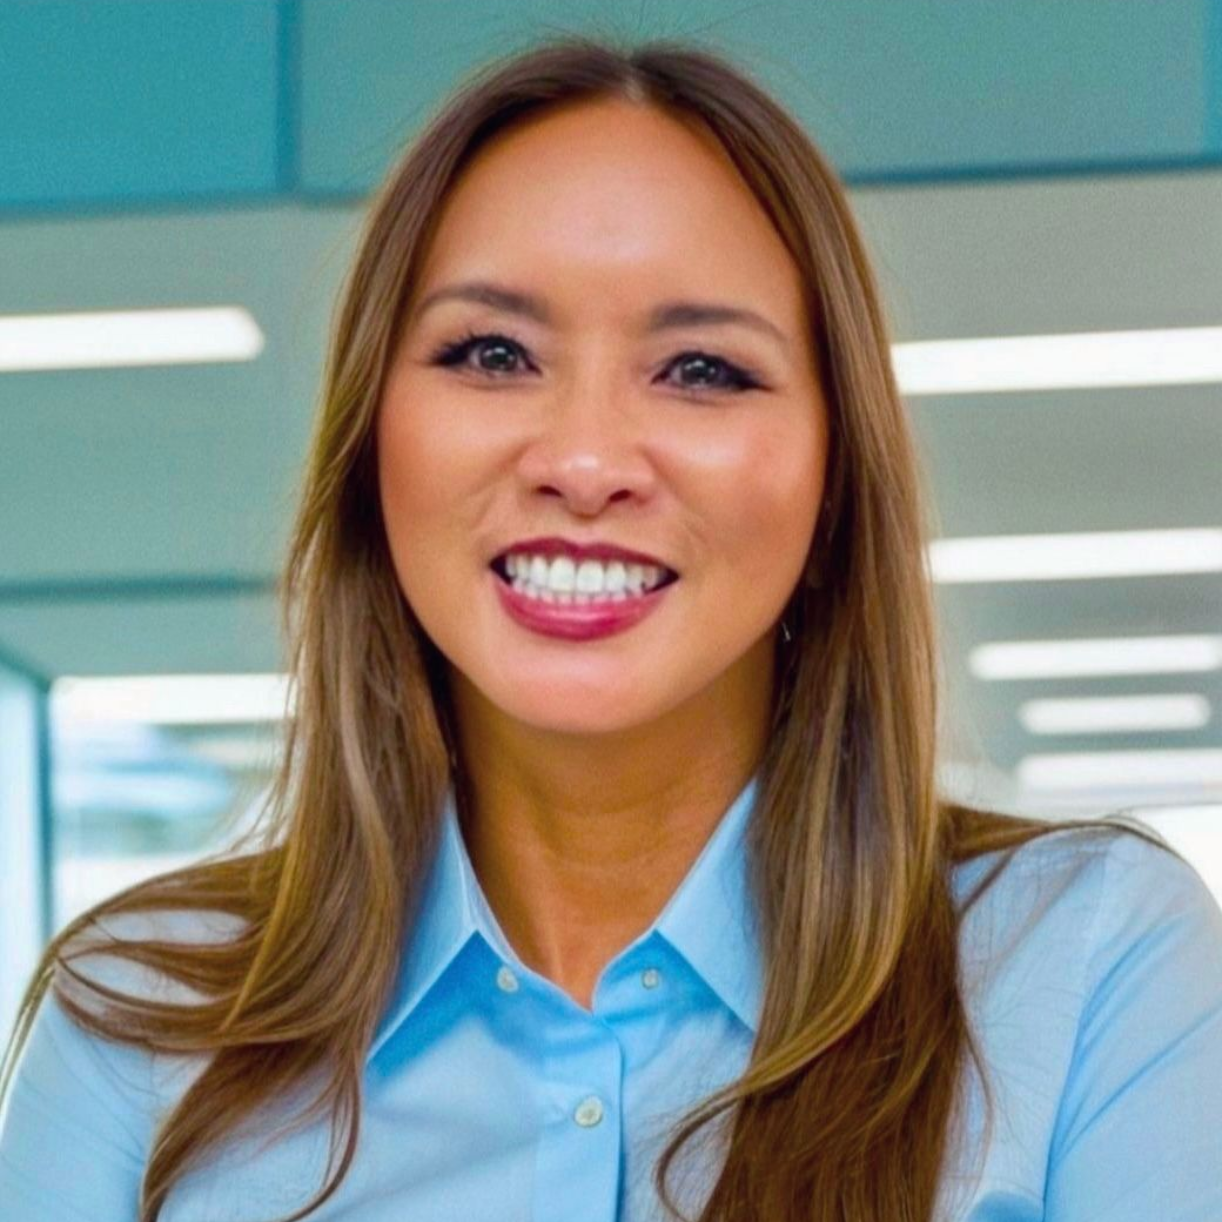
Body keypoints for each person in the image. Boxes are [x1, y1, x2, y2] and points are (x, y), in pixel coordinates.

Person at [2, 34, 1220, 1222]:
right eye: (490, 352)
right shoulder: (138, 1020)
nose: (584, 460)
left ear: (832, 473)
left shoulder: (1081, 962)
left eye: (700, 369)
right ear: (372, 438)